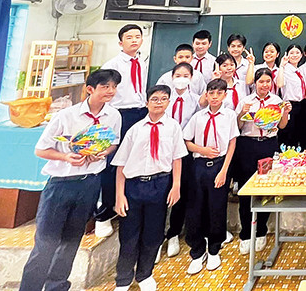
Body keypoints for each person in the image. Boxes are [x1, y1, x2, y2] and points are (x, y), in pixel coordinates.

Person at [19, 69, 122, 291]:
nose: (111, 91)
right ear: (90, 89)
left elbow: (113, 142)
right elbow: (40, 149)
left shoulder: (114, 116)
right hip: (62, 184)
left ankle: (57, 286)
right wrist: (65, 157)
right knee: (46, 242)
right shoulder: (66, 116)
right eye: (105, 87)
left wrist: (102, 152)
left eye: (114, 87)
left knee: (71, 241)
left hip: (90, 183)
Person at [112, 85, 187, 291]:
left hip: (160, 184)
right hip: (134, 186)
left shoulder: (173, 127)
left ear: (169, 102)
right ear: (146, 103)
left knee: (153, 234)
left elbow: (177, 158)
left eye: (163, 99)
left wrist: (176, 185)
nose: (159, 102)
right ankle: (123, 279)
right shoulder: (135, 129)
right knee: (129, 234)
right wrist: (120, 195)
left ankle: (145, 274)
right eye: (154, 99)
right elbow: (121, 164)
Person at [182, 78, 239, 275]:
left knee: (217, 208)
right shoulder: (198, 117)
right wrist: (202, 150)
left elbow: (232, 143)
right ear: (206, 95)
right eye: (211, 93)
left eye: (219, 93)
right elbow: (187, 141)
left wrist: (224, 171)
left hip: (220, 165)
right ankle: (197, 252)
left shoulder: (229, 116)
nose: (214, 97)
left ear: (225, 95)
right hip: (199, 165)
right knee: (195, 208)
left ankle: (214, 249)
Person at [97, 24, 148, 238]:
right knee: (112, 163)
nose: (134, 40)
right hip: (118, 115)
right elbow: (101, 94)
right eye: (129, 37)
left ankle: (126, 204)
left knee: (136, 161)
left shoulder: (141, 62)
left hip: (141, 112)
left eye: (137, 36)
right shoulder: (112, 66)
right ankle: (104, 214)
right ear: (120, 42)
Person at [234, 68, 292, 255]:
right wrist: (242, 113)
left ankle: (261, 231)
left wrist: (285, 112)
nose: (265, 85)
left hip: (268, 145)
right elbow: (238, 126)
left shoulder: (276, 101)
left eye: (268, 81)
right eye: (261, 81)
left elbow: (282, 126)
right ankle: (245, 234)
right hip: (247, 146)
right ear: (255, 83)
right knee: (245, 189)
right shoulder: (246, 101)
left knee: (266, 188)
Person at [160, 63, 201, 261]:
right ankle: (157, 238)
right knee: (161, 193)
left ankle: (174, 233)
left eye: (185, 75)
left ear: (191, 78)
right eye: (178, 75)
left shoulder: (196, 101)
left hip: (184, 151)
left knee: (180, 192)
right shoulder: (163, 100)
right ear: (172, 76)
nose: (181, 78)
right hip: (162, 150)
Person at [281, 44, 306, 148]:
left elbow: (297, 89)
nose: (294, 55)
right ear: (287, 55)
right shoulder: (285, 69)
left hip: (301, 105)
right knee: (290, 136)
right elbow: (280, 84)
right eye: (291, 53)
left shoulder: (298, 70)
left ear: (301, 55)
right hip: (290, 105)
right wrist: (281, 66)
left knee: (300, 135)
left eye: (297, 53)